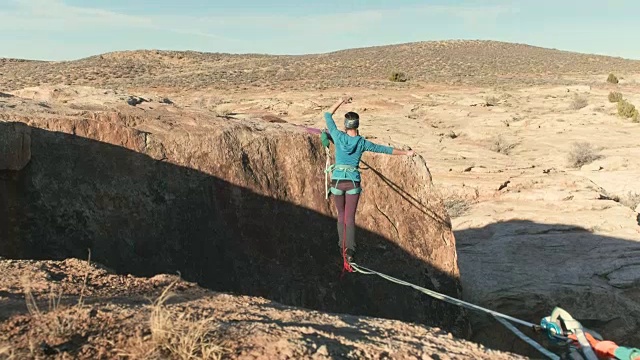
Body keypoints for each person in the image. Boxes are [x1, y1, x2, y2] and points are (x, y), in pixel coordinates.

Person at [323, 96, 414, 264]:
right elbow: (384, 149)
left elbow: (327, 115)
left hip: (337, 181)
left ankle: (341, 246)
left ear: (345, 125)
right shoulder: (362, 143)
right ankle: (349, 251)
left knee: (340, 215)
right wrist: (406, 153)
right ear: (357, 125)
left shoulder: (337, 136)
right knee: (349, 217)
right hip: (352, 182)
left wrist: (341, 101)